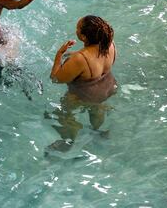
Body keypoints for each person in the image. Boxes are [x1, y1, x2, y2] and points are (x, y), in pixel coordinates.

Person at [47, 15, 117, 151]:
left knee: (64, 114)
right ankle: (97, 132)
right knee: (97, 108)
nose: (76, 30)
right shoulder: (110, 44)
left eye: (78, 28)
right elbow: (96, 59)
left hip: (84, 95)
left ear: (84, 37)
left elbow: (55, 79)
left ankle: (68, 141)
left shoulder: (79, 59)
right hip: (107, 87)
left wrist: (59, 55)